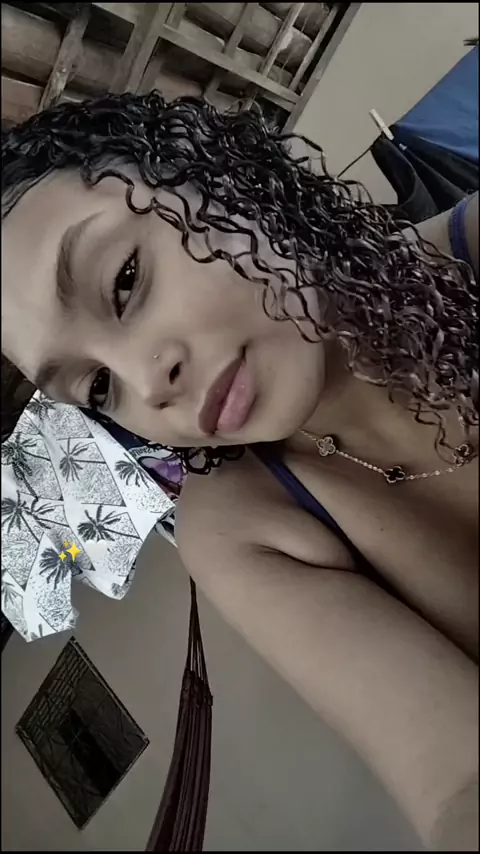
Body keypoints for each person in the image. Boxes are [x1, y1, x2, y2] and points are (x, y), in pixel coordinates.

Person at [2, 92, 478, 850]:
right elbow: (457, 783)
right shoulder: (239, 528)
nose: (147, 384)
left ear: (222, 177)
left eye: (125, 280)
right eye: (97, 387)